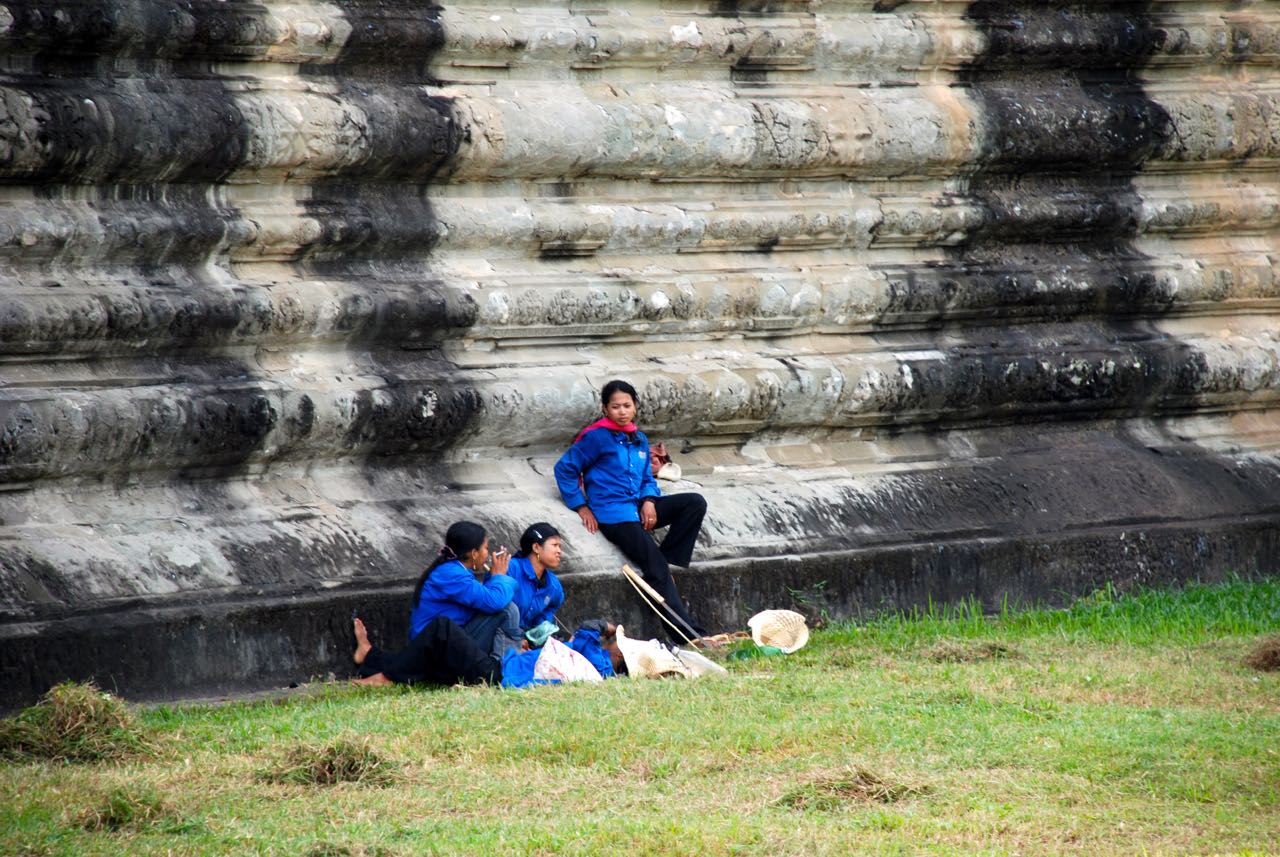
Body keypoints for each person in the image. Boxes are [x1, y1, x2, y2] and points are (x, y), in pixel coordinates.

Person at [553, 379, 708, 639]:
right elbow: (565, 469)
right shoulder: (597, 437)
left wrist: (649, 500)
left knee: (694, 503)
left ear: (635, 406)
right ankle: (687, 635)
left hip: (638, 507)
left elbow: (647, 478)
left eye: (627, 405)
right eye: (615, 407)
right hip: (613, 514)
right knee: (655, 566)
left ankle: (665, 563)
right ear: (605, 409)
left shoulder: (638, 439)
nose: (622, 412)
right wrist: (580, 506)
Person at [408, 521, 522, 660]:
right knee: (507, 610)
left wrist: (493, 578)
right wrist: (499, 577)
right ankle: (501, 667)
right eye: (486, 548)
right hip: (436, 650)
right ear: (474, 553)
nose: (487, 554)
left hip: (447, 641)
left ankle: (500, 663)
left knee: (504, 608)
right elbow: (494, 602)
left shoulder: (455, 570)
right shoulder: (452, 574)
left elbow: (481, 603)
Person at [508, 523, 566, 636]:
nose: (559, 551)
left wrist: (539, 630)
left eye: (560, 546)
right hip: (502, 637)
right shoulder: (511, 569)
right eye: (555, 545)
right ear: (536, 547)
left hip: (527, 641)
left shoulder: (553, 585)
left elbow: (551, 607)